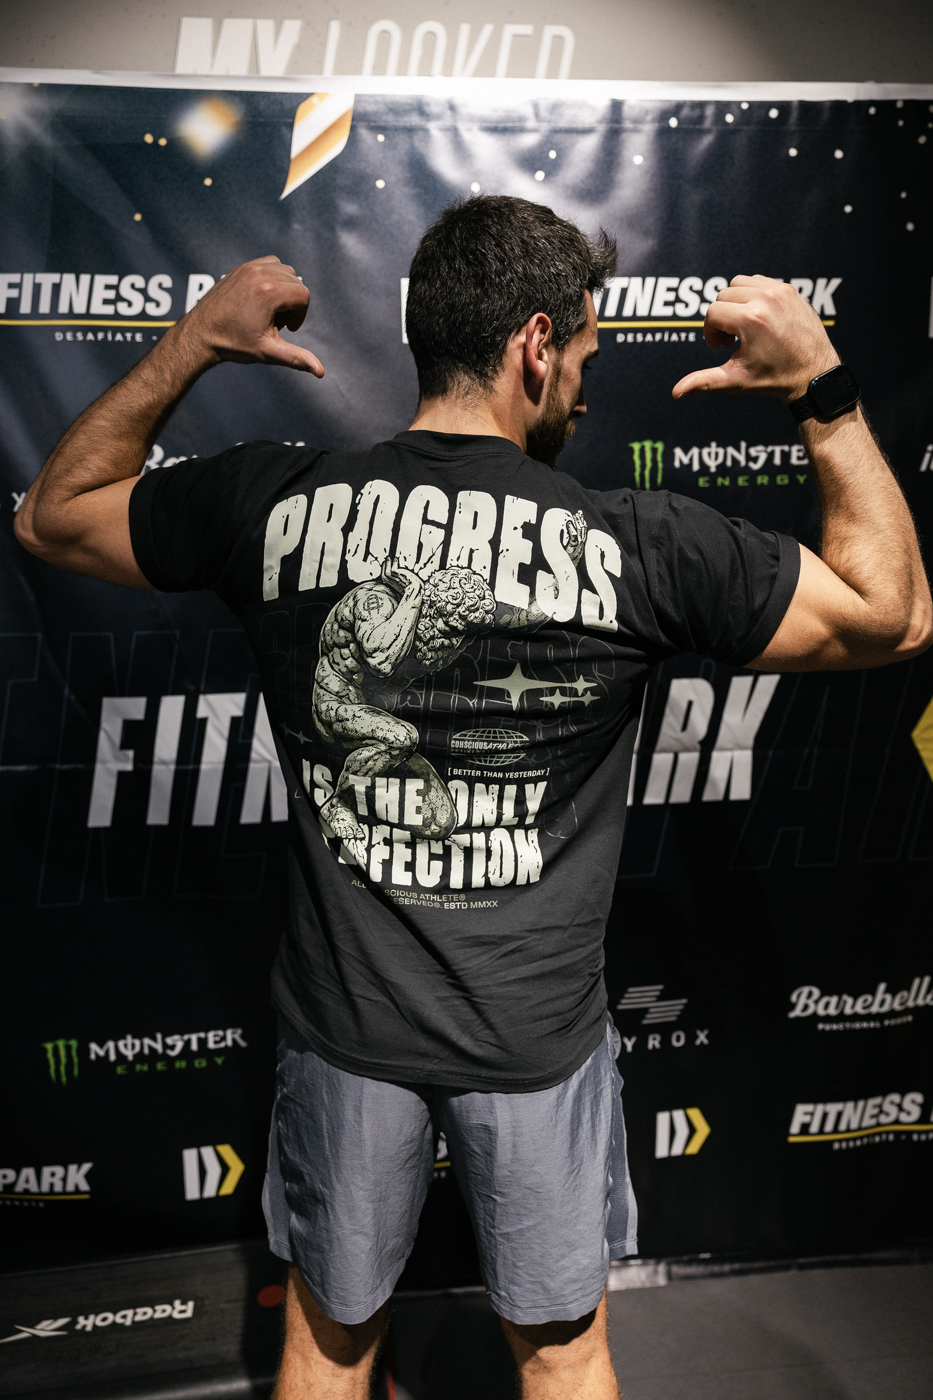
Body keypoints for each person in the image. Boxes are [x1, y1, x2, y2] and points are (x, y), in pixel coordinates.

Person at [15, 196, 930, 1399]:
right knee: (563, 1352)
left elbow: (51, 517)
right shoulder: (638, 542)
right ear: (534, 346)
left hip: (346, 1035)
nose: (586, 393)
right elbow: (892, 613)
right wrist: (825, 389)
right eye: (584, 357)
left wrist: (191, 342)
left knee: (328, 1346)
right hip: (532, 1045)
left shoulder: (275, 503)